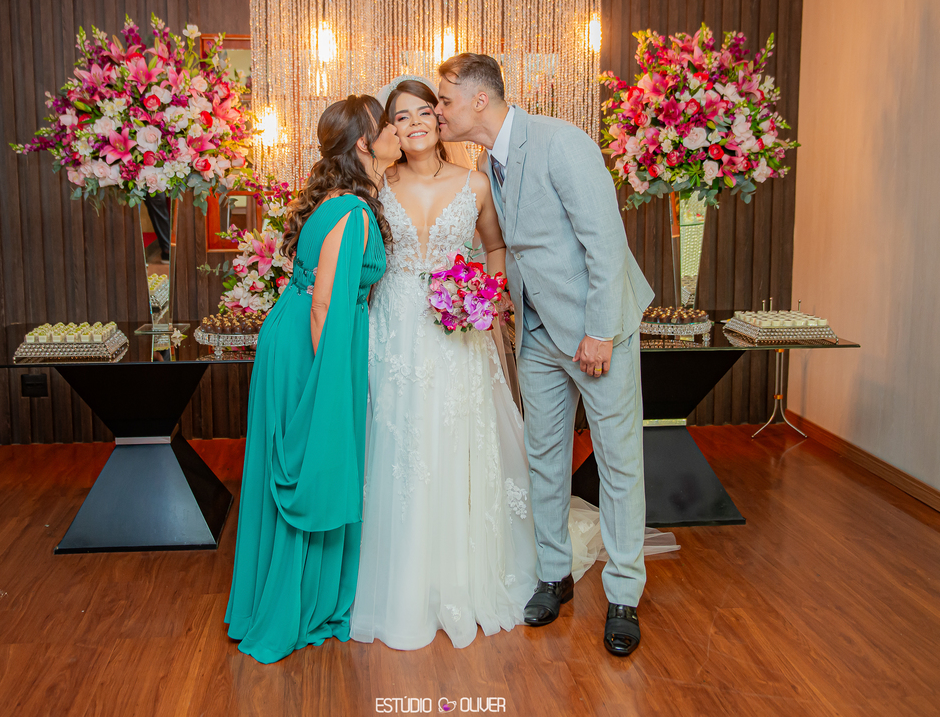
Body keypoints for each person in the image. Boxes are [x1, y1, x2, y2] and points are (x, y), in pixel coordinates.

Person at [351, 77, 607, 651]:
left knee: (457, 439)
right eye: (401, 116)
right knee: (398, 442)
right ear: (389, 130)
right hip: (393, 329)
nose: (415, 123)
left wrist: (484, 295)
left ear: (439, 120)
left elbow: (495, 247)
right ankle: (401, 575)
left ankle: (467, 571)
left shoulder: (474, 182)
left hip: (456, 332)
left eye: (425, 111)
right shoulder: (377, 184)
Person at [434, 54, 656, 657]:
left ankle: (624, 596)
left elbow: (605, 243)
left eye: (446, 100)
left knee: (618, 464)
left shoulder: (563, 143)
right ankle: (554, 575)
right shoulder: (488, 162)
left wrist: (601, 332)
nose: (439, 112)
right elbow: (516, 248)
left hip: (596, 332)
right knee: (544, 460)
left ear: (480, 100)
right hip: (537, 335)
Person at [224, 95, 399, 664]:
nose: (398, 133)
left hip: (293, 332)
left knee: (300, 465)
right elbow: (326, 305)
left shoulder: (336, 199)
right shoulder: (353, 212)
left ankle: (282, 594)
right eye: (388, 125)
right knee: (316, 460)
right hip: (313, 343)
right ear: (364, 143)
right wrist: (332, 390)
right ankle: (296, 606)